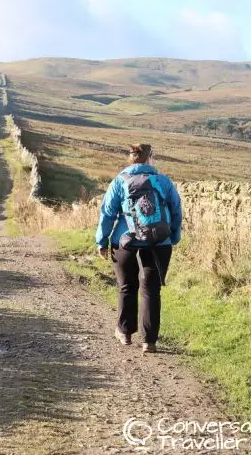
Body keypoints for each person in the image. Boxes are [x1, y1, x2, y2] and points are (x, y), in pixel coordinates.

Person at [95, 144, 182, 353]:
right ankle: (148, 342)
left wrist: (102, 240)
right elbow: (176, 211)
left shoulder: (120, 181)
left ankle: (124, 333)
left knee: (127, 286)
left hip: (125, 242)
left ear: (130, 158)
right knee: (151, 290)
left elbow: (107, 213)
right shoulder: (163, 181)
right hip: (159, 242)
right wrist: (174, 237)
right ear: (149, 159)